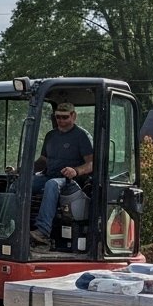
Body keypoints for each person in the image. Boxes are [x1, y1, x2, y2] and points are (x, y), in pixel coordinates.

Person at [31, 101, 94, 245]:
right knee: (20, 184)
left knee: (51, 184)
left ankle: (43, 231)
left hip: (71, 182)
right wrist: (22, 171)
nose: (61, 120)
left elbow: (91, 163)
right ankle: (10, 225)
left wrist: (75, 171)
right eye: (58, 117)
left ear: (73, 116)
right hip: (49, 175)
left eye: (65, 117)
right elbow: (42, 161)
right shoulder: (51, 136)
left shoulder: (81, 136)